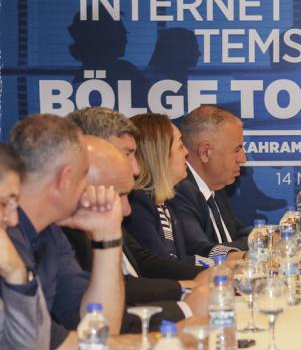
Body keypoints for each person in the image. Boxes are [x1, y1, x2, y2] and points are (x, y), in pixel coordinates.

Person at [62, 137, 208, 331]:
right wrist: (186, 307)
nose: (127, 210)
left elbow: (135, 272)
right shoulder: (67, 237)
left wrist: (188, 287)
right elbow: (96, 327)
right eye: (128, 153)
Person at [6, 115, 125, 350]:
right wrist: (162, 341)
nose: (88, 187)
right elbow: (45, 349)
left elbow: (100, 327)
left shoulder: (51, 233)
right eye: (84, 175)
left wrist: (108, 237)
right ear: (65, 179)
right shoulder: (6, 235)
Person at [171, 105, 249, 258]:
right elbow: (200, 251)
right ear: (205, 152)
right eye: (236, 150)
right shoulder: (180, 191)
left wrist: (266, 235)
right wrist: (260, 241)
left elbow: (238, 232)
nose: (243, 159)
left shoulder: (216, 186)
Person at [125, 113, 195, 264]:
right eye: (180, 146)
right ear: (161, 156)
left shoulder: (164, 204)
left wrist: (221, 264)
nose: (186, 152)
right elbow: (160, 266)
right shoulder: (137, 203)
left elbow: (180, 261)